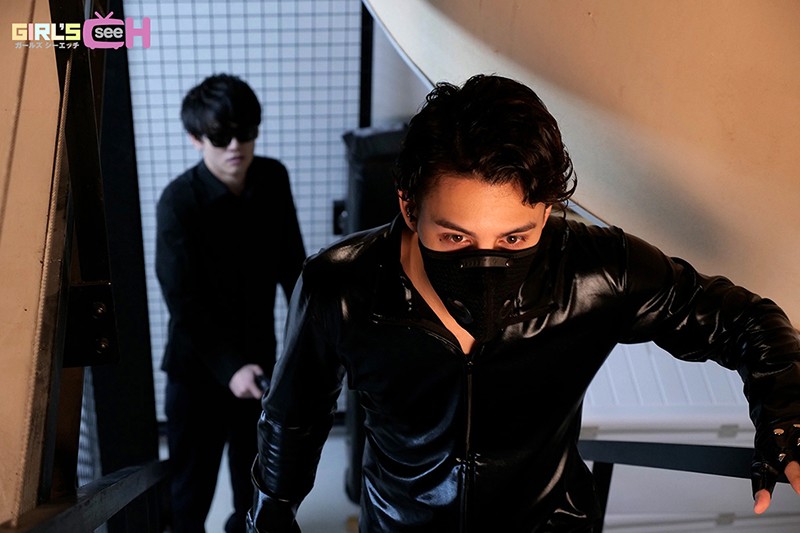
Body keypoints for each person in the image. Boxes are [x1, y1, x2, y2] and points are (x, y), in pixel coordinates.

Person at [246, 74, 800, 532]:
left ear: (549, 211)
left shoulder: (595, 272)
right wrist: (269, 513)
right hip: (400, 522)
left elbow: (743, 319)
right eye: (455, 237)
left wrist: (785, 418)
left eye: (514, 238)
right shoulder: (341, 287)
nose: (487, 264)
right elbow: (293, 416)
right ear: (409, 207)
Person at [157, 73, 305, 533]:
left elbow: (294, 268)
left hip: (260, 366)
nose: (236, 146)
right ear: (195, 138)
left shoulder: (273, 178)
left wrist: (310, 345)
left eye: (246, 132)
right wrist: (230, 367)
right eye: (220, 137)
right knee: (189, 496)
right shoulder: (178, 202)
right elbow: (183, 301)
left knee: (254, 490)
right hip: (197, 372)